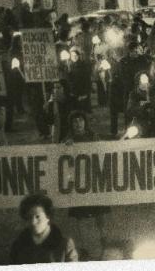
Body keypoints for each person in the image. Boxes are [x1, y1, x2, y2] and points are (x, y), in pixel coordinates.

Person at [63, 111, 110, 261]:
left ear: (85, 122)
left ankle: (104, 240)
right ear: (71, 125)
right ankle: (83, 247)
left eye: (80, 120)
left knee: (100, 214)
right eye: (75, 121)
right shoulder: (67, 140)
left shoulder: (93, 137)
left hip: (94, 181)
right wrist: (65, 147)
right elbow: (60, 157)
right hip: (78, 184)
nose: (78, 124)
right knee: (80, 217)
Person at [10, 194, 78, 264]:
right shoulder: (18, 246)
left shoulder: (65, 245)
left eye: (38, 217)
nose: (33, 222)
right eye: (29, 217)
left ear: (48, 217)